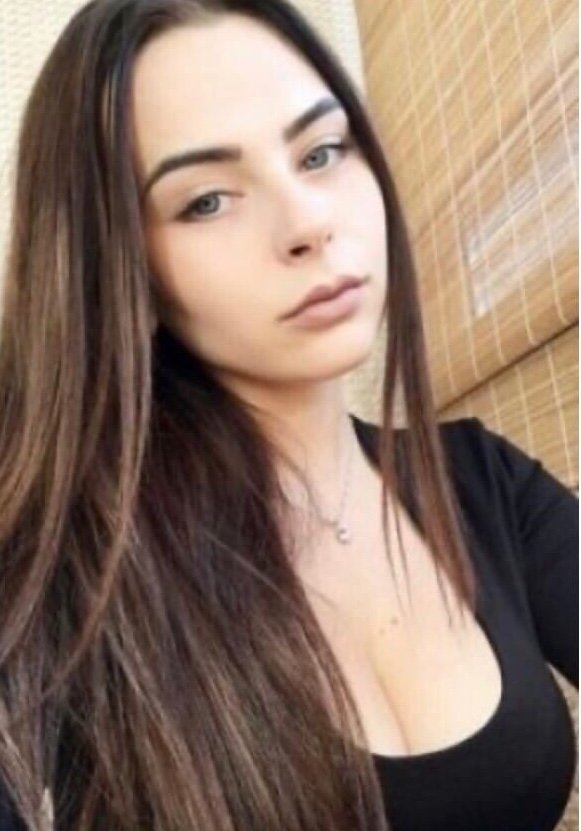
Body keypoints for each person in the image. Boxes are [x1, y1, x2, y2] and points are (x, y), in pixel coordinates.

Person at [0, 0, 577, 829]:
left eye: (321, 152)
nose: (308, 222)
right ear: (123, 271)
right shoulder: (66, 574)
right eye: (206, 201)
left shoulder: (481, 482)